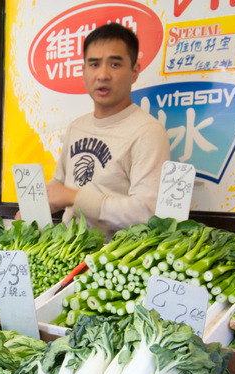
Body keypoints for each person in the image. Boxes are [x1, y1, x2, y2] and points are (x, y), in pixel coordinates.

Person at [21, 23, 170, 237]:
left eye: (115, 65)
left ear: (135, 72)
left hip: (113, 261)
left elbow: (147, 212)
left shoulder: (148, 132)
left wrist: (74, 197)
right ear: (83, 71)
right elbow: (60, 186)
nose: (103, 75)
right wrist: (32, 210)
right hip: (64, 250)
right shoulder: (77, 127)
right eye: (94, 64)